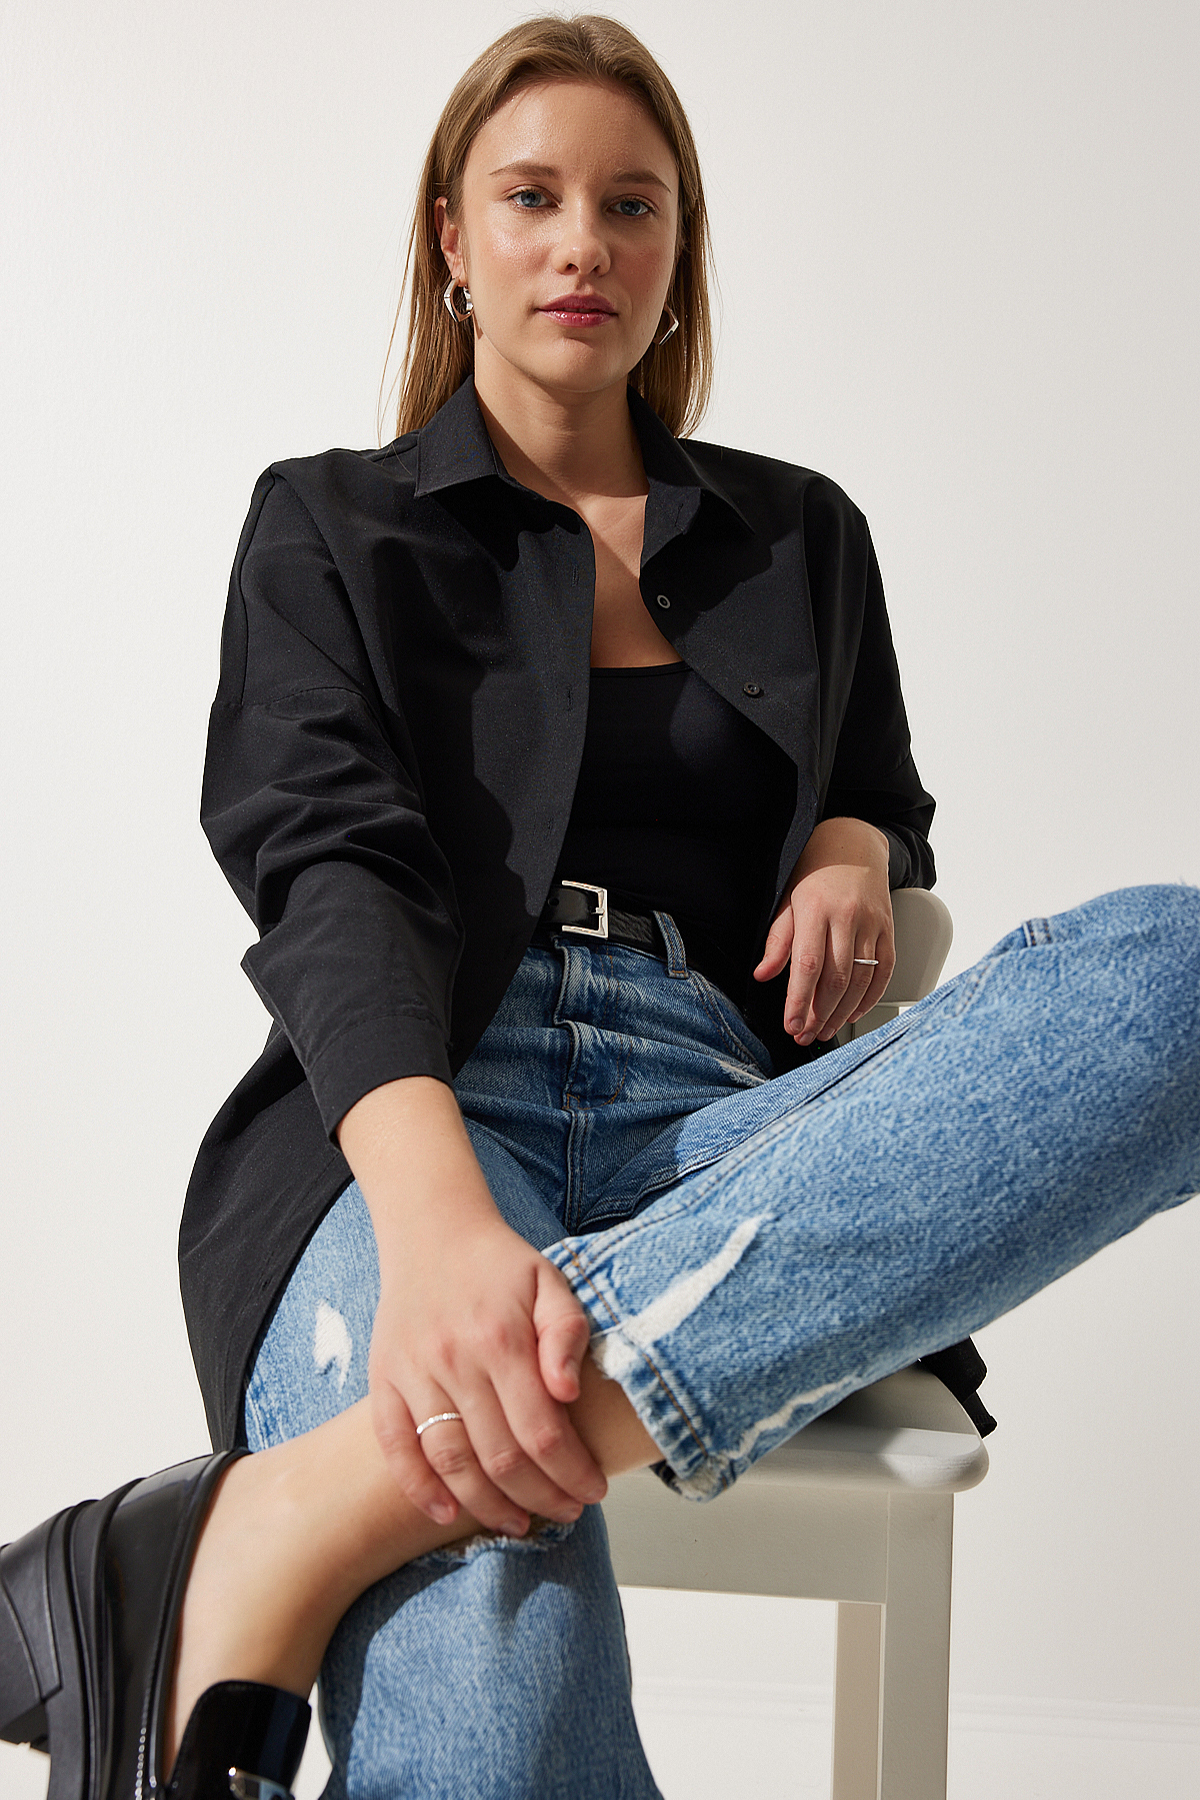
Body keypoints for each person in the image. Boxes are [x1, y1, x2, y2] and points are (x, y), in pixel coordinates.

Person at [2, 15, 1197, 1800]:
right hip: (413, 1109)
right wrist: (438, 1231)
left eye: (633, 205)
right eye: (532, 197)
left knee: (1178, 976)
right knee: (498, 1620)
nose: (585, 245)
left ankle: (289, 1517)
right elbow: (329, 871)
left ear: (678, 249)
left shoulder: (803, 535)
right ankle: (384, 1466)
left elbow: (882, 787)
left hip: (723, 1126)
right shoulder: (329, 524)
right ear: (451, 238)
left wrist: (853, 847)